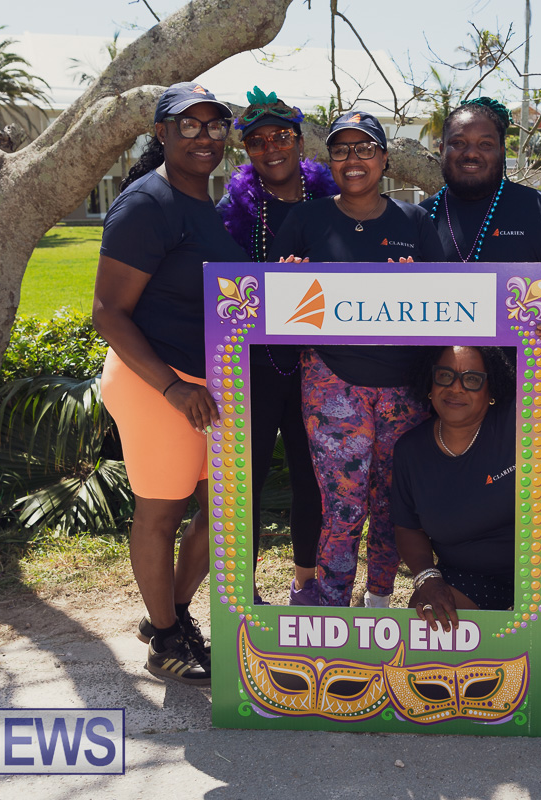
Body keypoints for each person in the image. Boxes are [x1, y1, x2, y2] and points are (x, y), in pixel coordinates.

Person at [93, 82, 246, 686]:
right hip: (158, 384)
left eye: (214, 126)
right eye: (188, 125)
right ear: (162, 132)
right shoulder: (147, 203)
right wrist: (171, 388)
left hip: (208, 385)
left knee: (223, 511)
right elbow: (108, 313)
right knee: (161, 514)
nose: (203, 137)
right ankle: (164, 642)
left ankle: (170, 616)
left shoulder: (202, 203)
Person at [268, 110, 443, 608]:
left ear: (384, 159)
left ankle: (379, 599)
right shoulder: (306, 220)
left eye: (365, 148)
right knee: (343, 503)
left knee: (390, 502)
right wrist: (286, 279)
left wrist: (419, 284)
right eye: (342, 150)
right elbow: (270, 305)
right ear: (330, 160)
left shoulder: (415, 221)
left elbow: (448, 303)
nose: (353, 159)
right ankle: (330, 602)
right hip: (332, 380)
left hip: (404, 386)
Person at [391, 316, 541, 681]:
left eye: (472, 379)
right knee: (430, 628)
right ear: (429, 384)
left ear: (491, 389)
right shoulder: (411, 450)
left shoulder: (522, 419)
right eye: (445, 376)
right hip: (471, 572)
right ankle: (507, 637)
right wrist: (427, 578)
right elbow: (408, 527)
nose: (456, 388)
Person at [218, 87, 338, 605]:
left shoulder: (332, 198)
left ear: (300, 141)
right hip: (258, 366)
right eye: (258, 141)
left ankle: (306, 584)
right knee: (246, 477)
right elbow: (225, 292)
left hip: (320, 363)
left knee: (314, 477)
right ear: (247, 150)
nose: (272, 148)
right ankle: (242, 592)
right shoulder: (233, 209)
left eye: (282, 136)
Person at [420, 97, 541, 329]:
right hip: (440, 353)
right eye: (458, 143)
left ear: (501, 152)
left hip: (524, 353)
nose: (471, 153)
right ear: (442, 150)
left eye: (485, 144)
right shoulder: (420, 218)